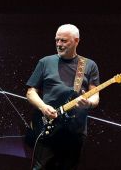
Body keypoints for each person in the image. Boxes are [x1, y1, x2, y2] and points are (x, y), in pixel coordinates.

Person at [26, 24, 100, 170]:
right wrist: (43, 107)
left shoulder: (89, 65)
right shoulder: (45, 62)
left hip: (75, 132)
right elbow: (30, 92)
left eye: (64, 41)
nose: (59, 44)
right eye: (57, 40)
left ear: (76, 41)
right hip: (48, 127)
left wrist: (88, 104)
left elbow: (95, 95)